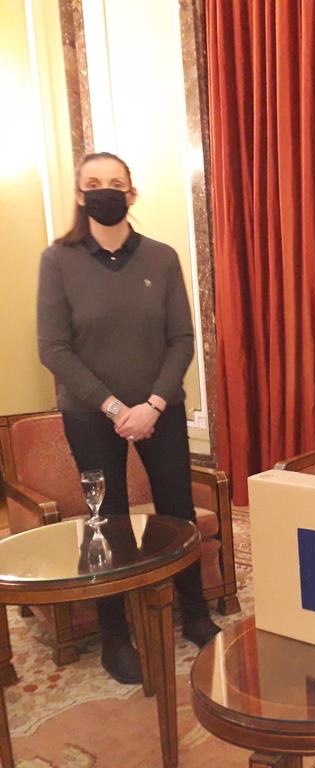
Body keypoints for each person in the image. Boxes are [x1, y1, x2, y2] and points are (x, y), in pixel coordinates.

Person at [37, 151, 221, 685]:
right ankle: (115, 637)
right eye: (94, 183)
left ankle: (194, 612)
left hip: (160, 411)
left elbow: (181, 339)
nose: (105, 191)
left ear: (131, 194)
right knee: (108, 520)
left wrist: (154, 404)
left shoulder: (161, 258)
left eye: (115, 183)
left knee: (177, 511)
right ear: (80, 195)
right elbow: (53, 348)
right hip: (91, 416)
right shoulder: (58, 260)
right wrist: (116, 407)